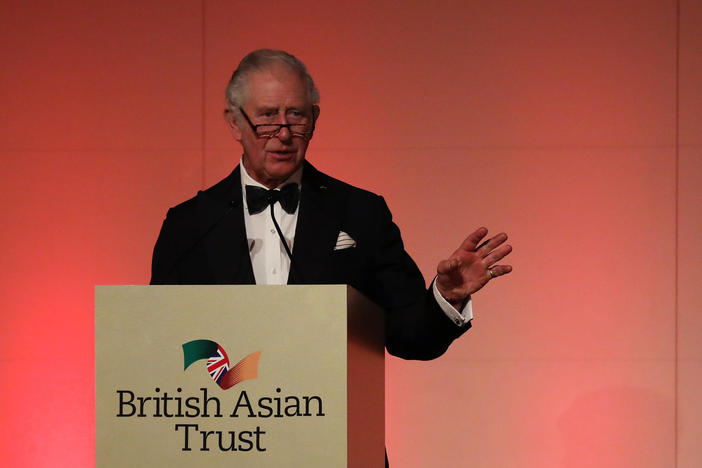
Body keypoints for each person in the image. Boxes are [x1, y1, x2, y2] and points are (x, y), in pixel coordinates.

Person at [150, 48, 512, 464]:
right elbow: (164, 354)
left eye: (296, 116)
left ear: (315, 119)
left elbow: (410, 336)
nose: (283, 133)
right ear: (234, 122)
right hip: (224, 451)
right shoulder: (189, 226)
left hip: (339, 451)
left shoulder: (361, 213)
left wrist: (447, 297)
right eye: (267, 116)